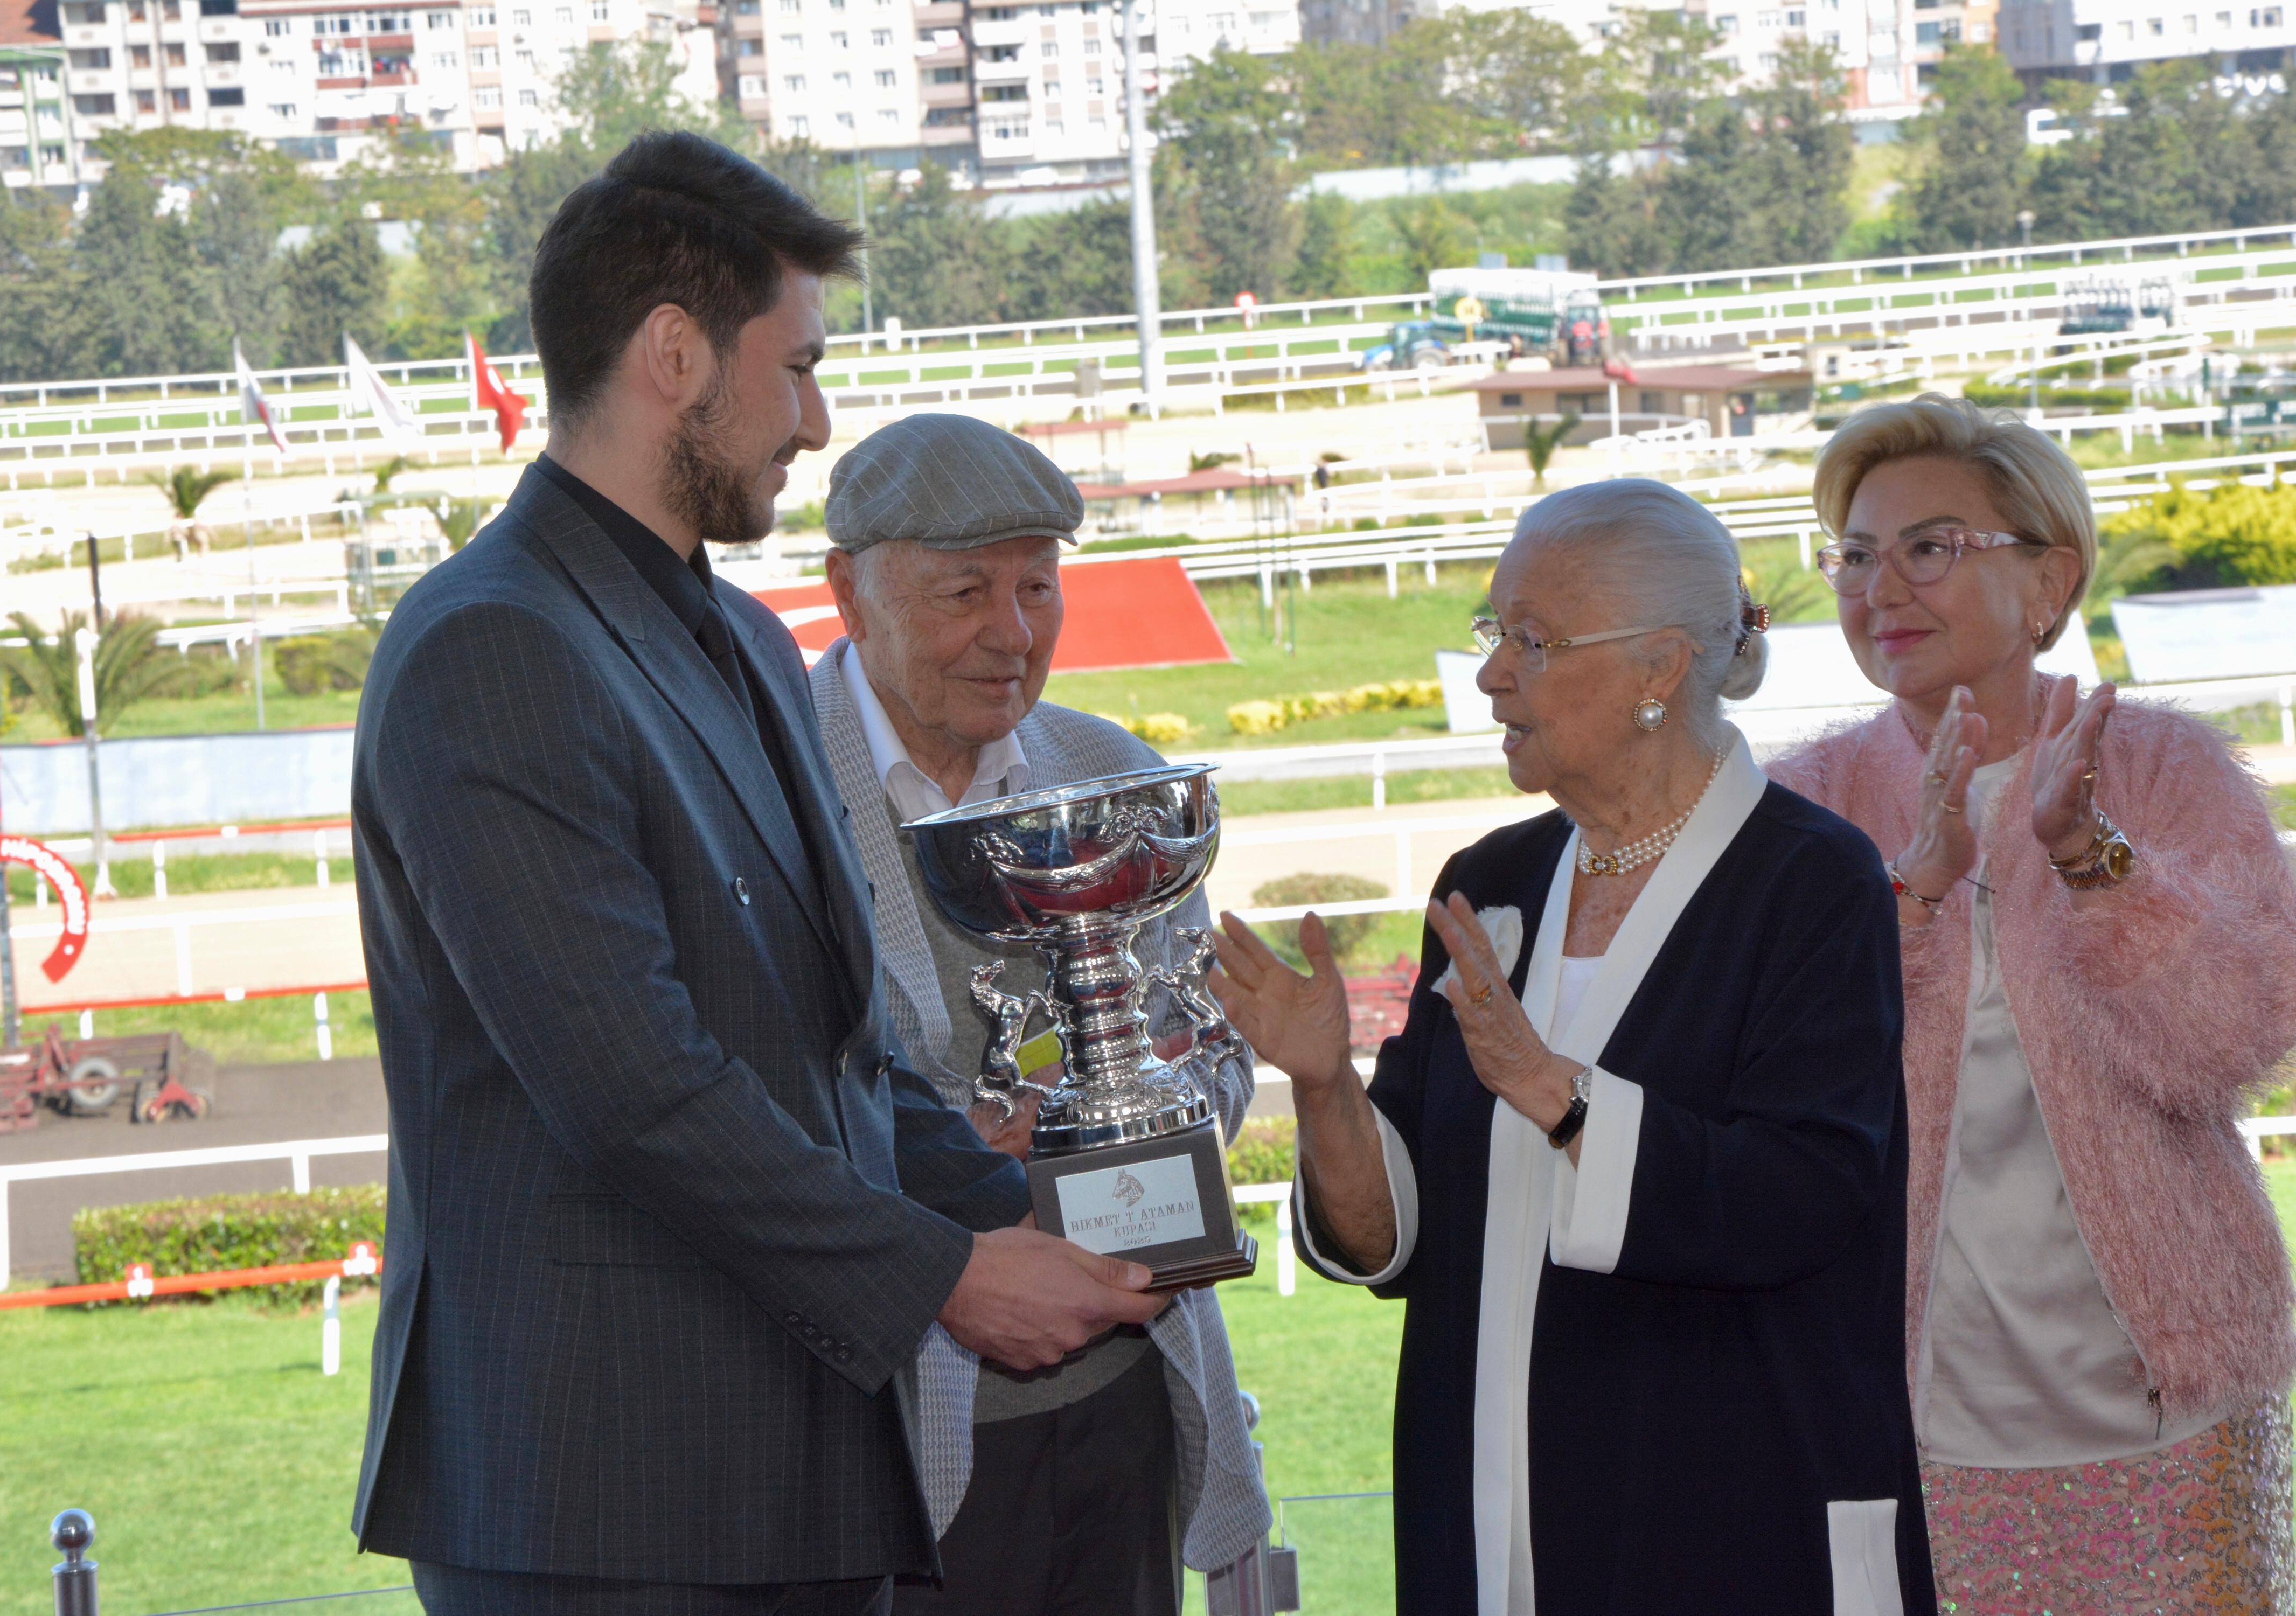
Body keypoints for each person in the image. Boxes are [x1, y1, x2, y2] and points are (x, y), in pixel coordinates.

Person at [347, 133, 1167, 1616]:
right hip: (604, 1502)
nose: (815, 420)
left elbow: (833, 1050)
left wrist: (1047, 1216)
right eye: (795, 369)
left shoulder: (740, 639)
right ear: (676, 356)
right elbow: (633, 1086)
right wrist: (951, 1276)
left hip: (792, 1480)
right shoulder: (494, 645)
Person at [1209, 477, 1934, 1615]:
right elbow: (1395, 1236)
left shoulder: (1809, 880)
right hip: (1482, 1507)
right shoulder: (1491, 881)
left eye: (1533, 640)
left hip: (1731, 1508)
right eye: (1493, 633)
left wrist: (1553, 1089)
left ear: (1659, 669)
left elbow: (1804, 1195)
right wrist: (1321, 1088)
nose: (1492, 675)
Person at [1766, 394, 2296, 1612]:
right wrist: (1910, 898)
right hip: (1904, 1424)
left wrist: (2091, 858)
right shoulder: (1806, 806)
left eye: (1929, 548)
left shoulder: (2163, 769)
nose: (1880, 588)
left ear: (2048, 581)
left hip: (2171, 1414)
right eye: (1856, 554)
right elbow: (1787, 1087)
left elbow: (2239, 1041)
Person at [809, 413, 1270, 1616]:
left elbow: (1212, 1050)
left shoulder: (1114, 775)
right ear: (849, 594)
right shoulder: (767, 783)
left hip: (1125, 1404)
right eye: (966, 591)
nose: (1011, 634)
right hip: (875, 1437)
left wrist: (1122, 1124)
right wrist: (953, 1161)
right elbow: (737, 1106)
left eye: (1038, 587)